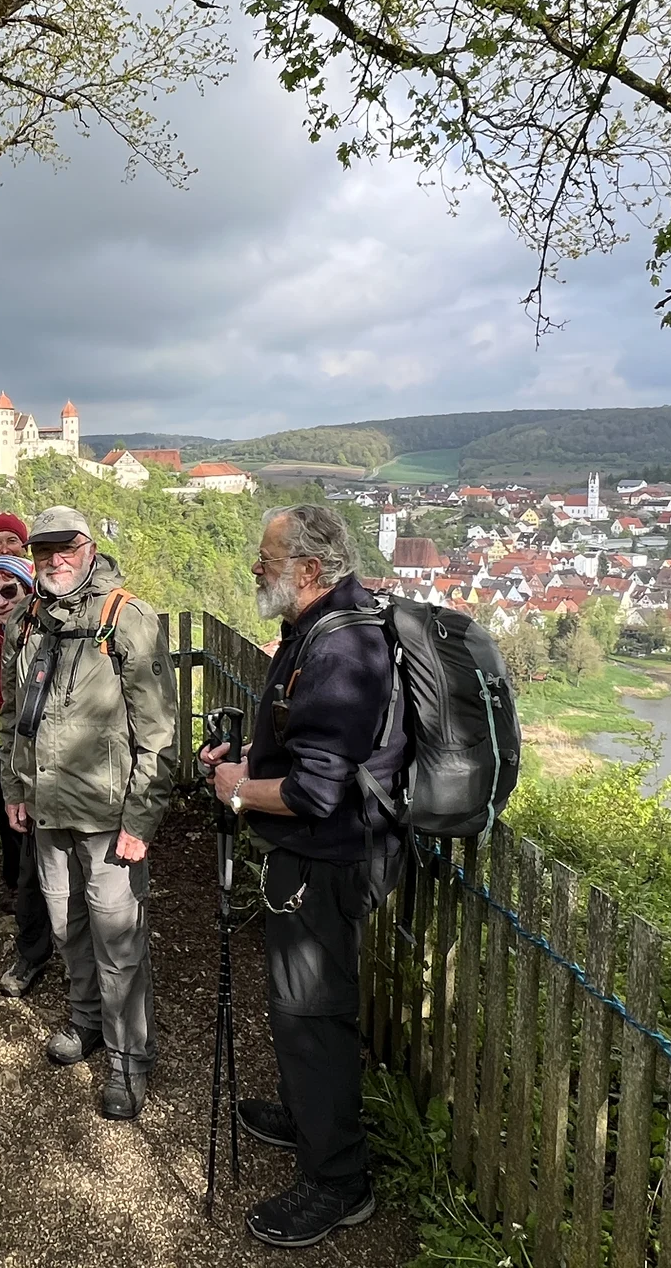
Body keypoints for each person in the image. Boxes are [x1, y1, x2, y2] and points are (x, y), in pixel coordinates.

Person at [202, 503, 406, 1248]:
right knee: (298, 1013)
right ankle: (308, 1113)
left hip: (326, 864)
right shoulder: (318, 629)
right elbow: (304, 753)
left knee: (313, 1018)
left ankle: (338, 1181)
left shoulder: (342, 651)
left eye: (267, 557)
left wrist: (234, 791)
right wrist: (246, 765)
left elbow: (316, 793)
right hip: (309, 859)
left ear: (308, 570)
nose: (256, 567)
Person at [0, 506, 177, 1121]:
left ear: (89, 546)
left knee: (118, 941)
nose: (54, 559)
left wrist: (140, 821)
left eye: (65, 547)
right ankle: (86, 1022)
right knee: (66, 925)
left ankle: (130, 1060)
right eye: (42, 549)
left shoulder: (125, 618)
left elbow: (158, 735)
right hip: (48, 809)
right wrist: (15, 789)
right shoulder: (23, 621)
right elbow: (12, 715)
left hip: (107, 816)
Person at [0, 542, 54, 999]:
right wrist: (12, 786)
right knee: (29, 871)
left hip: (73, 771)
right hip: (29, 770)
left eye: (9, 589)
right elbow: (8, 718)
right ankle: (33, 951)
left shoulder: (57, 629)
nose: (1, 601)